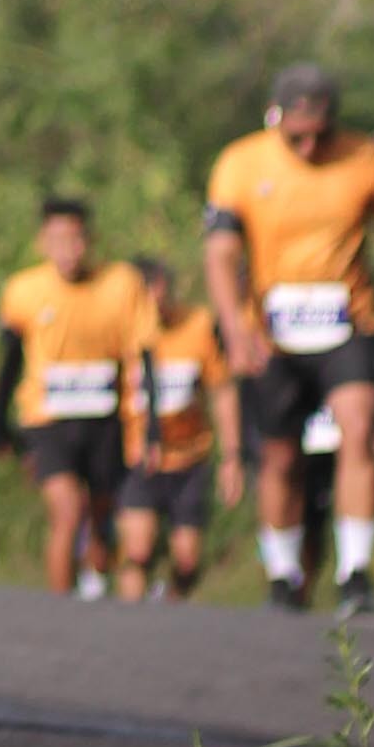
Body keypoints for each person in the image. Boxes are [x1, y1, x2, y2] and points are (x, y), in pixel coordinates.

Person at [201, 64, 374, 619]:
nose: (310, 148)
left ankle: (355, 572)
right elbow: (221, 254)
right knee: (280, 457)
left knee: (359, 428)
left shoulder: (366, 158)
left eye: (321, 135)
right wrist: (234, 329)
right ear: (274, 119)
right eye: (297, 137)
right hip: (272, 333)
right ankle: (283, 576)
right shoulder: (240, 164)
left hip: (347, 321)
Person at [0, 199, 154, 601]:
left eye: (76, 239)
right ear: (42, 243)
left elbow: (143, 356)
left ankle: (95, 577)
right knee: (67, 512)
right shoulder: (24, 291)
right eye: (58, 240)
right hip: (48, 419)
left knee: (101, 513)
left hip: (105, 417)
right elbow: (9, 362)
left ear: (90, 240)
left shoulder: (121, 284)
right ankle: (60, 609)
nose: (68, 250)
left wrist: (152, 426)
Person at [113, 252, 235, 605]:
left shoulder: (198, 326)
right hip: (138, 458)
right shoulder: (120, 334)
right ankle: (130, 621)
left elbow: (221, 390)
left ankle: (169, 610)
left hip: (189, 457)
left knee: (187, 559)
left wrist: (231, 455)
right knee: (137, 549)